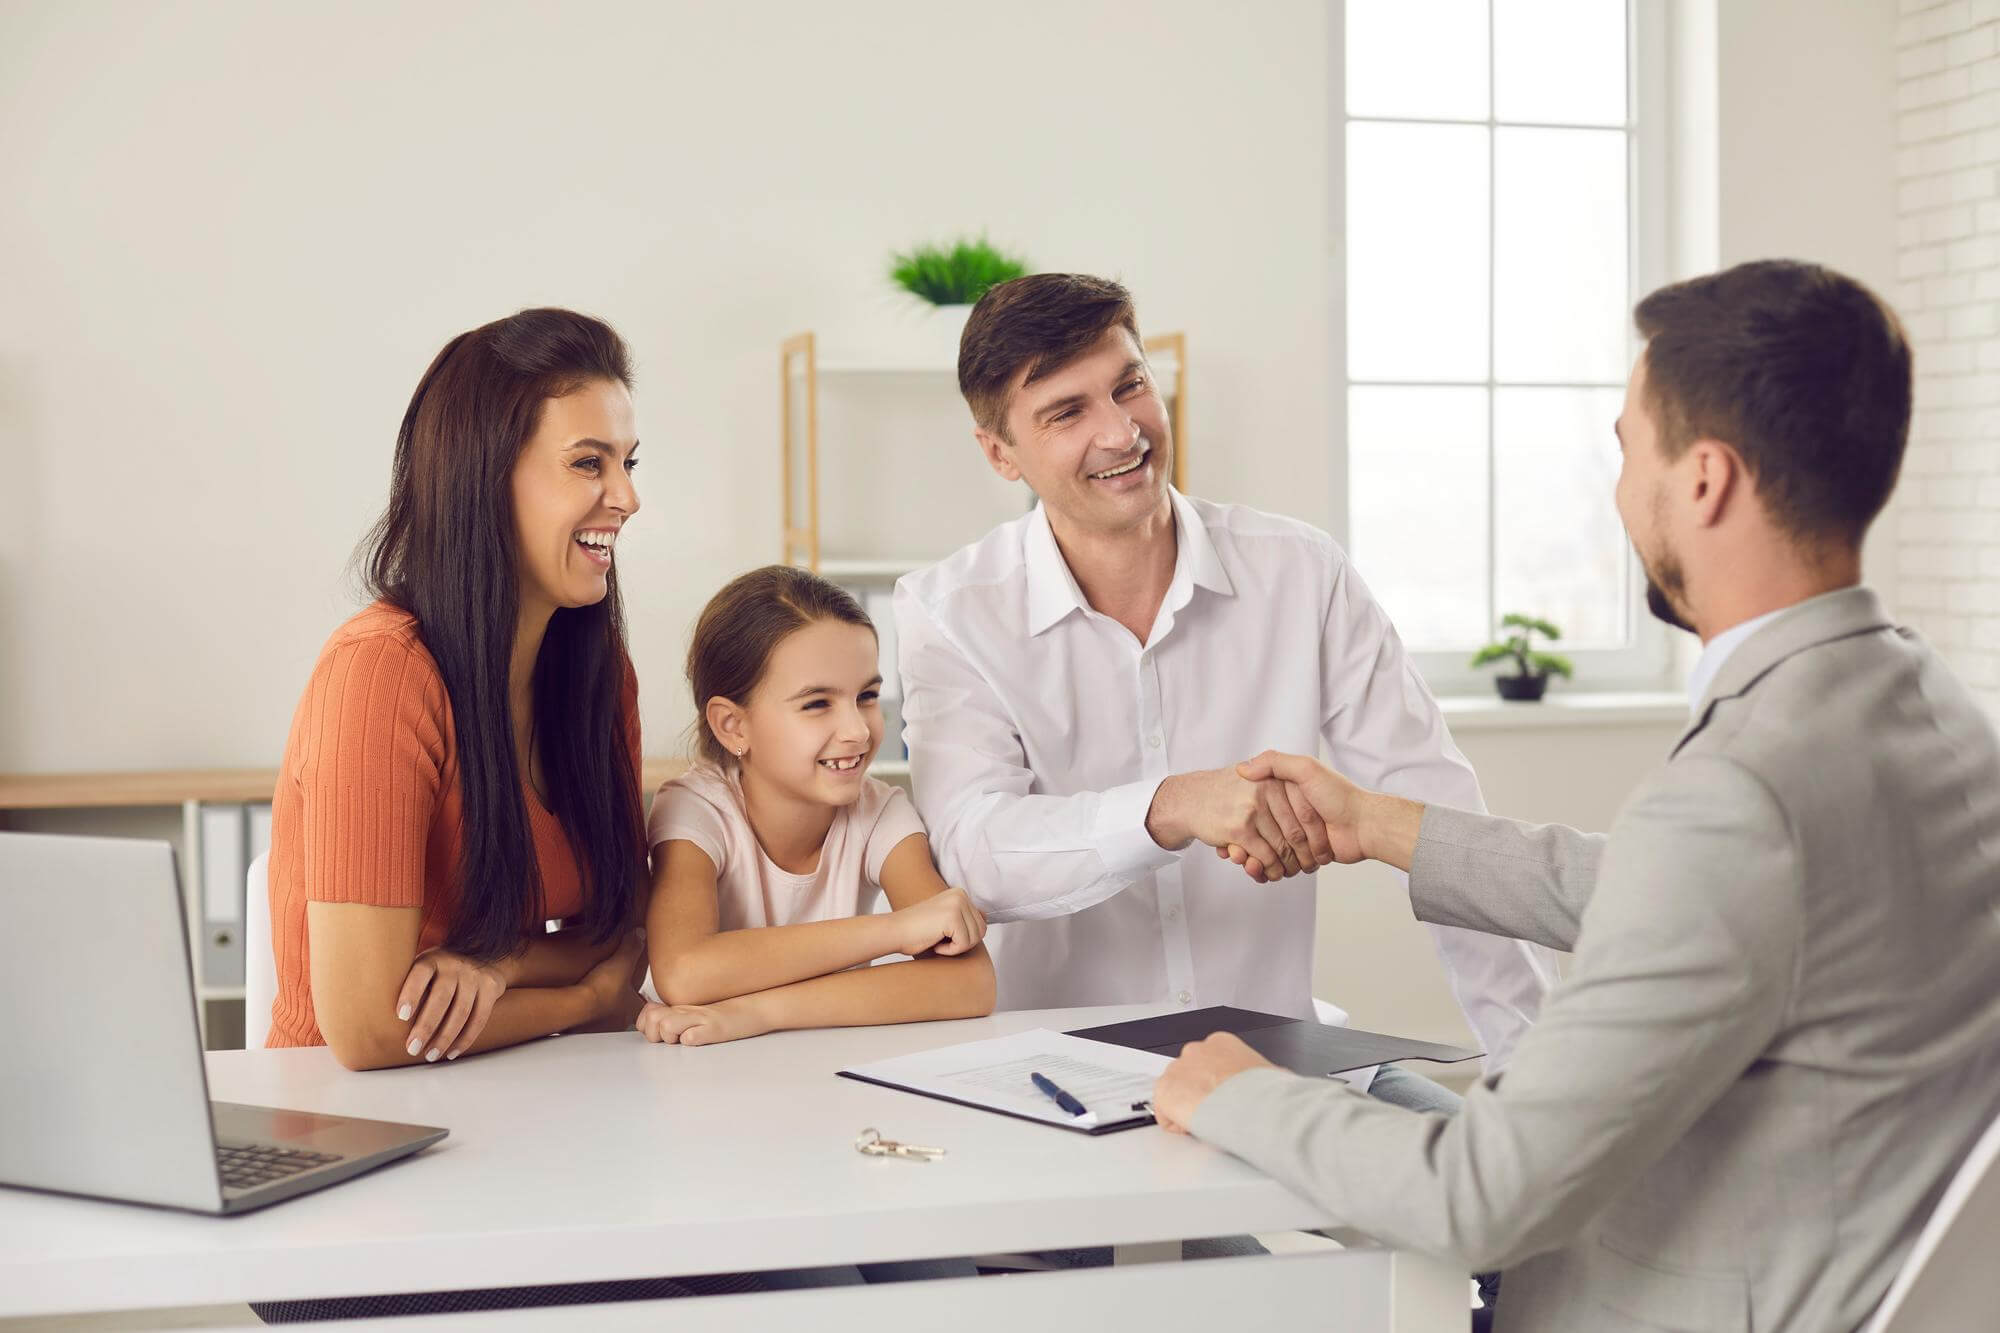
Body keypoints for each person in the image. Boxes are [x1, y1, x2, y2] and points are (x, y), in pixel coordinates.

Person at [1154, 260, 2000, 1332]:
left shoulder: (1739, 791)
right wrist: (1376, 824)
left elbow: (1476, 1198)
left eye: (1624, 448)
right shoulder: (1928, 708)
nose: (1614, 491)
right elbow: (1690, 897)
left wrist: (1235, 1090)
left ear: (1702, 481)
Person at [893, 273, 1554, 1106]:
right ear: (999, 452)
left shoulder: (1300, 571)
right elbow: (976, 852)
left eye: (1129, 385)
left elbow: (1440, 821)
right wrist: (1170, 806)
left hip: (1280, 1063)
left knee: (1497, 1203)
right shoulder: (949, 611)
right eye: (1067, 411)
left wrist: (1534, 1069)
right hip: (1055, 1084)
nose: (1120, 430)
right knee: (1215, 1244)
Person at [266, 308, 650, 1067]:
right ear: (484, 479)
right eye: (588, 463)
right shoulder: (378, 674)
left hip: (525, 1099)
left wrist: (497, 966)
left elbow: (628, 931)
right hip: (342, 1125)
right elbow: (369, 1029)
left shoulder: (598, 670)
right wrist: (582, 1000)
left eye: (628, 464)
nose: (626, 499)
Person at [637, 565, 994, 1046]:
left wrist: (754, 1013)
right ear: (733, 726)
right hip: (687, 1067)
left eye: (866, 696)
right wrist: (896, 928)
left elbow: (970, 985)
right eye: (817, 704)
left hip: (816, 1067)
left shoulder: (881, 813)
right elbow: (684, 973)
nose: (859, 730)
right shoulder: (695, 809)